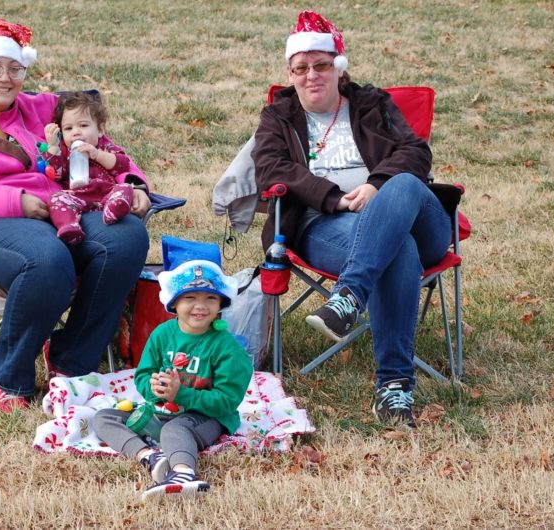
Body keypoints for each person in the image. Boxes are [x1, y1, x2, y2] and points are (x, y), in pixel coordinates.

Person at [0, 19, 152, 412]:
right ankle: (11, 376)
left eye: (15, 68)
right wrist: (15, 202)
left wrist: (133, 182)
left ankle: (72, 361)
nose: (5, 78)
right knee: (46, 259)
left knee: (125, 239)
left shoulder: (42, 108)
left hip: (65, 207)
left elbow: (99, 141)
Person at [252, 11, 452, 428]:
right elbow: (271, 170)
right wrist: (335, 199)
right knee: (398, 250)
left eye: (321, 65)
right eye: (301, 68)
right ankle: (394, 387)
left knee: (404, 185)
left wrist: (377, 187)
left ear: (338, 68)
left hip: (415, 218)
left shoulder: (371, 103)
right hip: (324, 224)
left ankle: (349, 295)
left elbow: (416, 152)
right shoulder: (279, 115)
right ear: (290, 73)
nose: (312, 76)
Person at [93, 260, 253, 500]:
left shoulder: (227, 348)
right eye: (190, 298)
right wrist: (153, 388)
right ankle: (149, 456)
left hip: (207, 416)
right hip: (163, 408)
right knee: (104, 417)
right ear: (174, 303)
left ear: (221, 303)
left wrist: (182, 395)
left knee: (175, 428)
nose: (200, 306)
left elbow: (227, 402)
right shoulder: (162, 334)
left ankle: (183, 473)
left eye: (210, 298)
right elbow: (143, 374)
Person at [41, 91, 135, 245]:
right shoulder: (64, 151)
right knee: (55, 198)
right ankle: (69, 226)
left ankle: (114, 210)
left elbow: (122, 164)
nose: (76, 132)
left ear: (100, 130)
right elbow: (55, 174)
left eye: (83, 125)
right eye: (68, 129)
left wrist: (97, 154)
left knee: (125, 188)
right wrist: (53, 147)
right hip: (77, 197)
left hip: (106, 193)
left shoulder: (105, 147)